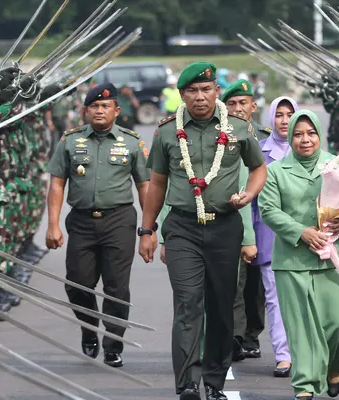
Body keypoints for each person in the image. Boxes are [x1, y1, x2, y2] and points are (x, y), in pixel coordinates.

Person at [138, 61, 267, 400]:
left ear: (216, 92)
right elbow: (157, 184)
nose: (199, 97)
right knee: (187, 304)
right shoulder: (167, 131)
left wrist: (249, 194)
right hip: (181, 228)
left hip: (225, 228)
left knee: (221, 308)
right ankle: (187, 383)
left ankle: (214, 382)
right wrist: (147, 230)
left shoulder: (238, 127)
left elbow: (258, 168)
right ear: (181, 95)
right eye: (192, 91)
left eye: (206, 90)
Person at [259, 109, 339, 400]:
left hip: (331, 259)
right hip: (292, 261)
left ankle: (334, 365)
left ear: (319, 134)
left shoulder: (337, 166)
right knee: (301, 329)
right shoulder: (275, 171)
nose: (304, 140)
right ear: (289, 136)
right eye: (297, 134)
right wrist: (300, 231)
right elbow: (269, 210)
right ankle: (304, 387)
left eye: (310, 133)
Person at [46, 83, 150, 368]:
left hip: (120, 221)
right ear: (85, 111)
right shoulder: (69, 141)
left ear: (116, 111)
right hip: (80, 221)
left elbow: (144, 186)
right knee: (78, 284)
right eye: (94, 106)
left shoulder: (131, 142)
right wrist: (52, 225)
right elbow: (57, 183)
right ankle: (89, 329)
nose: (100, 111)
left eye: (106, 106)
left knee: (117, 287)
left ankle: (114, 344)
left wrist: (149, 230)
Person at [220, 79, 271, 361]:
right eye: (231, 104)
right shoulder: (218, 137)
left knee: (256, 285)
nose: (238, 108)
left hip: (262, 220)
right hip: (233, 215)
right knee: (234, 281)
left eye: (243, 103)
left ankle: (252, 334)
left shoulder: (266, 138)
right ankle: (237, 337)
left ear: (253, 106)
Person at [253, 95, 298, 378]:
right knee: (275, 299)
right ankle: (283, 355)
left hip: (305, 238)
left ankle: (305, 353)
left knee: (304, 300)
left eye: (289, 114)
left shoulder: (308, 148)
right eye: (279, 115)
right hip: (270, 237)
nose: (284, 120)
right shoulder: (258, 152)